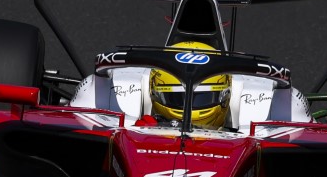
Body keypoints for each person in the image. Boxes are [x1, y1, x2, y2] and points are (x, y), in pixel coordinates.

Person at [69, 41, 311, 130]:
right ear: (153, 93)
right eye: (175, 99)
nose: (189, 112)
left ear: (227, 95)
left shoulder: (260, 102)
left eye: (202, 99)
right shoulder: (122, 97)